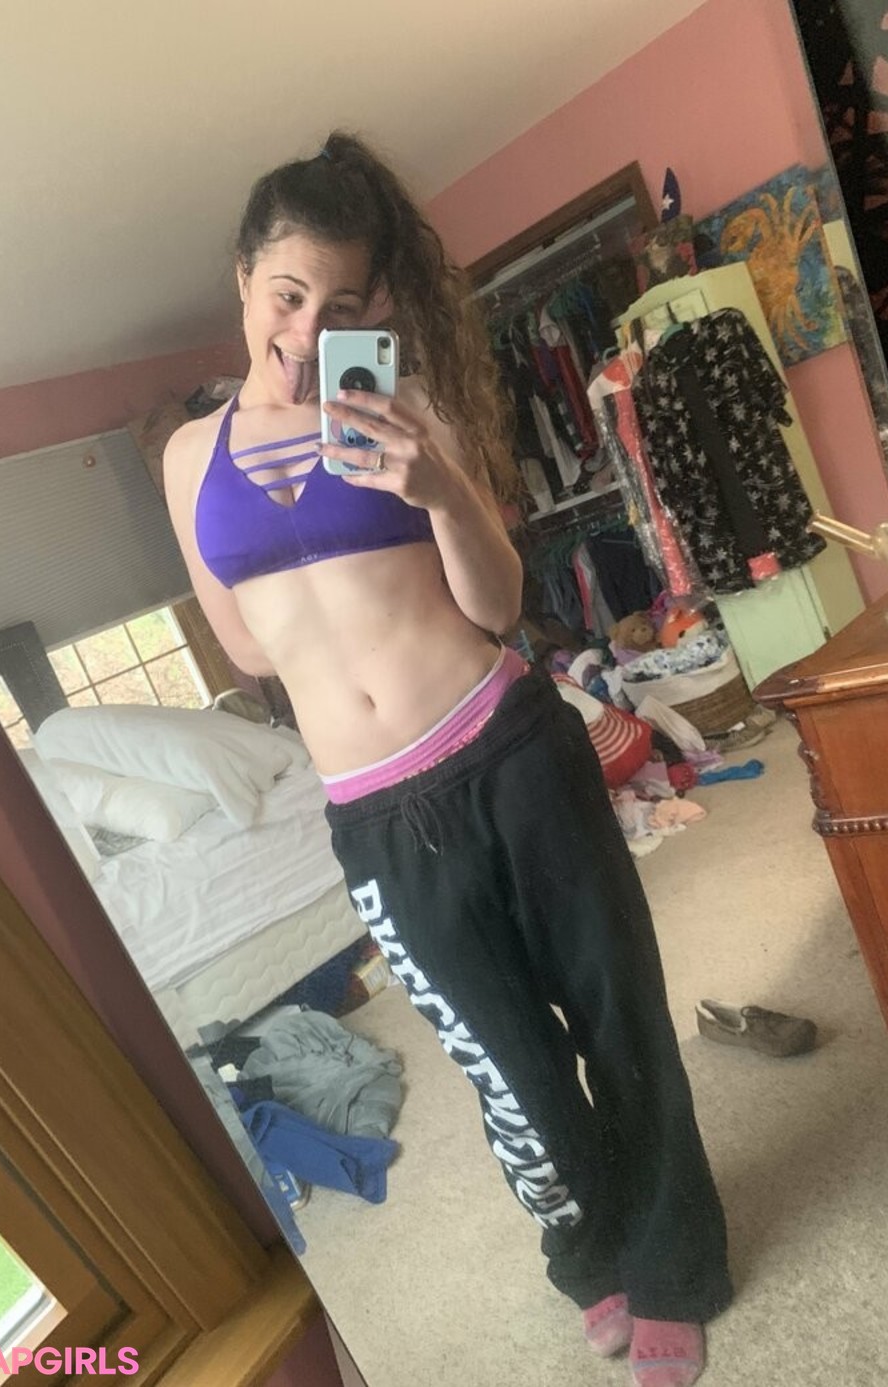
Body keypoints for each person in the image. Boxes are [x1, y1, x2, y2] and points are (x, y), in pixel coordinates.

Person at [164, 130, 732, 1387]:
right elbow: (248, 651)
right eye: (287, 295)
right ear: (244, 281)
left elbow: (496, 602)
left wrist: (437, 492)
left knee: (616, 1015)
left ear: (376, 310)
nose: (309, 331)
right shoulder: (186, 459)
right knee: (507, 1063)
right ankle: (592, 1250)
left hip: (508, 748)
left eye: (343, 306)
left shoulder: (405, 413)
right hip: (377, 816)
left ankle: (672, 1265)